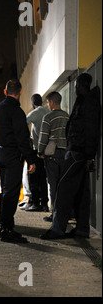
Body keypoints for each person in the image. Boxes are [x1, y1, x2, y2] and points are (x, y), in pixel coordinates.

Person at [41, 73, 101, 240]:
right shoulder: (87, 101)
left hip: (78, 152)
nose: (74, 88)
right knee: (82, 193)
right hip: (81, 152)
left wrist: (88, 155)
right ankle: (82, 230)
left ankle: (58, 229)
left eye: (76, 85)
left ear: (80, 85)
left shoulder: (86, 102)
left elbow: (90, 132)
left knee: (63, 189)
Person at [0, 79, 36, 243]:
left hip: (0, 152)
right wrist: (30, 159)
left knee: (5, 189)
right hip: (12, 154)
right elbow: (22, 137)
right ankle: (6, 228)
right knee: (12, 192)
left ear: (5, 91)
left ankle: (4, 223)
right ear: (20, 92)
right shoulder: (17, 111)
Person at [37, 91, 69, 222]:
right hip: (65, 153)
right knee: (63, 185)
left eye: (48, 102)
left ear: (51, 102)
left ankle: (55, 214)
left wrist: (40, 151)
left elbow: (43, 136)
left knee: (53, 184)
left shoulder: (48, 117)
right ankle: (64, 213)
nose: (47, 105)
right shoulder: (67, 116)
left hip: (52, 154)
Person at [25, 94, 50, 212]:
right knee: (43, 178)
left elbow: (24, 121)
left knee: (33, 176)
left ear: (32, 103)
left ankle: (35, 203)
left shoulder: (35, 112)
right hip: (47, 149)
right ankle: (45, 203)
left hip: (36, 149)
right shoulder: (47, 110)